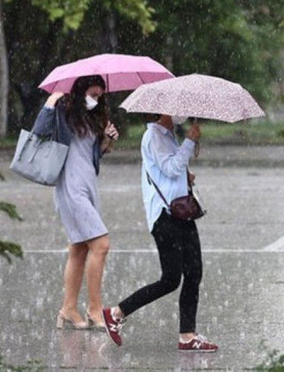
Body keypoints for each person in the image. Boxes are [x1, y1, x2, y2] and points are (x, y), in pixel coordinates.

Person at [101, 113, 218, 352]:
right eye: (178, 111)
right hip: (165, 217)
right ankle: (116, 313)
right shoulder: (153, 136)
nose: (181, 115)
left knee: (193, 272)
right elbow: (171, 168)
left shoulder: (167, 135)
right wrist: (189, 141)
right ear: (164, 111)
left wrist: (187, 172)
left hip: (181, 212)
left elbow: (170, 172)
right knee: (171, 279)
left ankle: (187, 335)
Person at [32, 74, 119, 330]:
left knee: (79, 249)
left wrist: (107, 139)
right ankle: (94, 309)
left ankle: (68, 309)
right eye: (92, 95)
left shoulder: (93, 119)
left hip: (88, 185)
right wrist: (51, 103)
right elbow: (39, 132)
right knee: (101, 245)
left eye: (99, 96)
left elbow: (93, 155)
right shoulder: (63, 113)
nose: (96, 100)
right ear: (80, 92)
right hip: (70, 187)